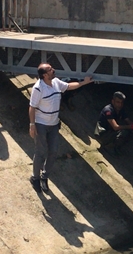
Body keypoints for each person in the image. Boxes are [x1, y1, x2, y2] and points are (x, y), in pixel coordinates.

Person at [29, 63, 93, 194]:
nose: (53, 70)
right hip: (41, 124)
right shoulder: (38, 88)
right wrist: (32, 125)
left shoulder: (57, 82)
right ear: (44, 75)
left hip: (53, 124)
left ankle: (44, 177)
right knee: (40, 152)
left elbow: (69, 86)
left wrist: (83, 83)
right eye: (50, 70)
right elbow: (32, 107)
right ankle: (35, 178)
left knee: (53, 152)